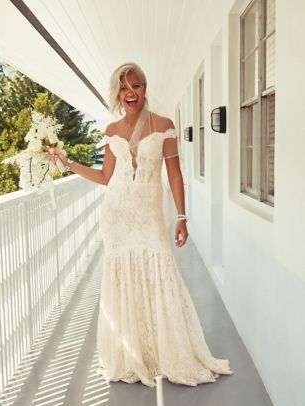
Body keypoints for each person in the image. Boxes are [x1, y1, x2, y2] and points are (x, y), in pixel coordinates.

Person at [48, 62, 233, 387]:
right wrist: (68, 163)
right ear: (117, 95)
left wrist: (181, 216)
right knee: (123, 278)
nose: (130, 92)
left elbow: (174, 173)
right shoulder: (111, 130)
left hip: (149, 211)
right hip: (117, 212)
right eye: (124, 88)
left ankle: (168, 353)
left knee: (161, 270)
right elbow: (106, 177)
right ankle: (134, 355)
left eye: (136, 86)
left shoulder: (164, 125)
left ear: (145, 89)